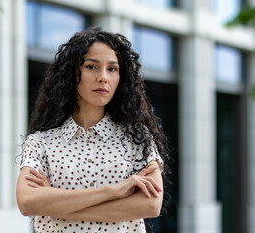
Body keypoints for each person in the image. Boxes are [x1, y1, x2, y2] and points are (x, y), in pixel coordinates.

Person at [16, 26, 169, 233]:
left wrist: (56, 204)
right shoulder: (41, 142)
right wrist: (113, 191)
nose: (103, 77)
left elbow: (150, 205)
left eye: (112, 69)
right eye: (92, 67)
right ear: (72, 73)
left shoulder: (137, 139)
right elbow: (27, 202)